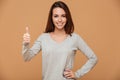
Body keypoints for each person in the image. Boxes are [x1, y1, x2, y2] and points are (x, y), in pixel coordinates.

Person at [22, 1, 98, 80]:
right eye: (56, 16)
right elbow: (27, 57)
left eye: (63, 16)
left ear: (67, 18)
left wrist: (77, 74)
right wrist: (26, 44)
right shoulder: (43, 38)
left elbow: (93, 58)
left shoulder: (75, 38)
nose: (60, 20)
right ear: (51, 18)